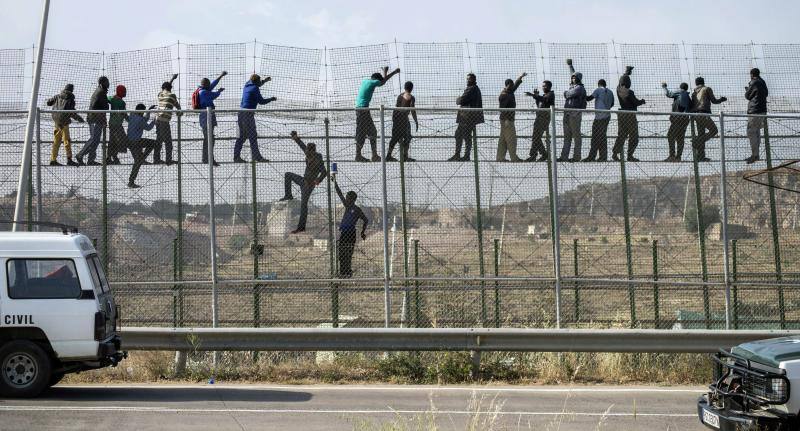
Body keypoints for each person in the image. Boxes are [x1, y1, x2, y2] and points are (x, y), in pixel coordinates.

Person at [280, 131, 328, 234]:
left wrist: (318, 180)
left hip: (308, 185)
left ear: (313, 152)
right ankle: (288, 195)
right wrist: (295, 137)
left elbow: (324, 172)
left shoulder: (318, 160)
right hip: (303, 180)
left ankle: (301, 227)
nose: (307, 154)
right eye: (306, 153)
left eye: (309, 153)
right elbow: (301, 145)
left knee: (303, 205)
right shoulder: (307, 152)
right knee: (288, 174)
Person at [355, 66, 400, 162]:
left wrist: (384, 74)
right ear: (376, 79)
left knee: (371, 132)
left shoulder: (365, 81)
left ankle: (373, 155)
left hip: (362, 110)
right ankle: (359, 155)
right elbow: (383, 82)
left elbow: (382, 80)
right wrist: (391, 72)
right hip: (363, 110)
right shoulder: (373, 82)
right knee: (362, 133)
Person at [234, 73, 276, 163]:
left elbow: (259, 83)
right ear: (256, 82)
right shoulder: (255, 88)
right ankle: (257, 157)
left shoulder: (247, 84)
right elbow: (261, 102)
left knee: (241, 137)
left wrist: (265, 80)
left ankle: (236, 157)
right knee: (253, 136)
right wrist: (271, 99)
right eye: (259, 81)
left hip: (240, 113)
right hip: (248, 115)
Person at [333, 178, 369, 278]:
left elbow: (366, 220)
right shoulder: (351, 207)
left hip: (349, 233)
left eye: (348, 198)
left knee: (346, 253)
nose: (346, 199)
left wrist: (362, 232)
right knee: (342, 253)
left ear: (352, 199)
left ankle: (346, 272)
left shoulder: (354, 208)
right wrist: (335, 182)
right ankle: (344, 272)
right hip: (345, 233)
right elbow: (339, 194)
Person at [613, 66, 646, 162]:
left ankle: (615, 153)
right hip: (630, 115)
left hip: (622, 114)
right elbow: (636, 102)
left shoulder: (618, 89)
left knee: (622, 135)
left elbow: (622, 80)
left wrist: (627, 72)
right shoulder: (629, 92)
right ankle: (630, 155)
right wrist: (642, 101)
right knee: (634, 136)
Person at [690, 77, 727, 162]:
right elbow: (714, 101)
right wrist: (721, 99)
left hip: (695, 115)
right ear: (703, 82)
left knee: (701, 135)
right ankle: (696, 141)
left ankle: (701, 156)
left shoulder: (694, 93)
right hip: (704, 114)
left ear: (696, 83)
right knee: (714, 130)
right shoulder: (707, 89)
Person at [45, 84, 83, 166]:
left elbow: (48, 103)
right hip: (64, 121)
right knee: (67, 140)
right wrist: (79, 118)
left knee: (57, 140)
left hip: (56, 120)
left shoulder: (57, 96)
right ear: (72, 90)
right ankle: (69, 159)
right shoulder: (70, 99)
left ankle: (53, 159)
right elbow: (72, 112)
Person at [76, 76, 111, 166]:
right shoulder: (101, 92)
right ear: (102, 83)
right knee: (93, 139)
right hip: (95, 119)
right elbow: (104, 107)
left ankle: (91, 159)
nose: (108, 84)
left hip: (95, 119)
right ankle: (80, 155)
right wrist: (107, 103)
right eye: (106, 82)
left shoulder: (99, 92)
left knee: (96, 140)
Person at [450, 73, 484, 162]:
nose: (467, 81)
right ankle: (461, 155)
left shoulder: (471, 89)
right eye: (467, 79)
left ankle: (465, 155)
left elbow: (461, 100)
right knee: (460, 135)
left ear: (473, 80)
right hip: (467, 117)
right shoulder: (473, 88)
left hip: (467, 117)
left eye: (469, 79)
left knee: (464, 136)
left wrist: (458, 99)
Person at [197, 71, 227, 166]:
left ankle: (207, 158)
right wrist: (219, 91)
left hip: (205, 118)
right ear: (206, 85)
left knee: (208, 139)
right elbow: (214, 95)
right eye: (209, 85)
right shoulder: (204, 93)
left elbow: (213, 84)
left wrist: (220, 76)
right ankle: (209, 158)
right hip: (207, 118)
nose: (210, 86)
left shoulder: (201, 90)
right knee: (209, 139)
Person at [559, 59, 587, 162]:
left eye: (575, 77)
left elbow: (567, 94)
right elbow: (573, 73)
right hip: (567, 113)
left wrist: (566, 92)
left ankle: (576, 156)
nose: (573, 78)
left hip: (574, 114)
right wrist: (570, 66)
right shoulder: (573, 86)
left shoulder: (579, 88)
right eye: (572, 77)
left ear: (579, 79)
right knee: (567, 136)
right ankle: (564, 156)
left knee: (576, 136)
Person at [496, 72, 527, 162]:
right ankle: (514, 157)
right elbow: (502, 109)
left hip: (506, 120)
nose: (513, 87)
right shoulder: (504, 95)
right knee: (511, 139)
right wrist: (506, 119)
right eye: (511, 85)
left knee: (503, 139)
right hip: (507, 120)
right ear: (508, 85)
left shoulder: (508, 92)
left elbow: (515, 87)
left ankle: (500, 157)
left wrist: (520, 77)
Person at [125, 104, 157, 189]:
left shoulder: (132, 115)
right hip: (136, 142)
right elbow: (148, 128)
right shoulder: (140, 119)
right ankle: (143, 158)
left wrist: (149, 111)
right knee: (153, 143)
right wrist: (154, 121)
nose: (143, 113)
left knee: (137, 162)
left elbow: (144, 119)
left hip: (129, 141)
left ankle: (131, 181)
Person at [386, 81, 418, 162]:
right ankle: (405, 156)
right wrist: (416, 121)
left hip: (396, 117)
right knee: (408, 137)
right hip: (403, 118)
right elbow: (412, 110)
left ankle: (388, 155)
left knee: (395, 137)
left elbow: (397, 107)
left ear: (404, 88)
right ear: (412, 88)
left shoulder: (400, 96)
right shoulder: (411, 97)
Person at [583, 79, 614, 162]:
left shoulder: (598, 90)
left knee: (595, 137)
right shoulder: (610, 92)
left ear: (598, 84)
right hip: (607, 116)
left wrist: (582, 94)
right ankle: (603, 156)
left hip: (599, 117)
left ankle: (592, 156)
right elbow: (612, 104)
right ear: (605, 84)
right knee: (602, 136)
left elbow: (589, 98)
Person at [524, 80, 554, 162]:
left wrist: (534, 95)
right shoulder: (544, 95)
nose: (543, 87)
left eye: (545, 86)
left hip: (543, 119)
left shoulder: (551, 94)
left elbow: (544, 100)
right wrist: (536, 97)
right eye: (543, 86)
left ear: (549, 87)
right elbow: (540, 104)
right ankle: (542, 154)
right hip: (539, 118)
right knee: (536, 137)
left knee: (536, 137)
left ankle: (535, 155)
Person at [662, 82, 692, 162]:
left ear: (680, 87)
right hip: (685, 120)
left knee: (670, 136)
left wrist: (664, 87)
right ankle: (678, 157)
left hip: (677, 119)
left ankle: (672, 156)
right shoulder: (688, 97)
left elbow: (669, 94)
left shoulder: (680, 92)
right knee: (680, 138)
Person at [154, 73, 180, 165]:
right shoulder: (172, 95)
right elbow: (178, 106)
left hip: (157, 119)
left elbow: (166, 87)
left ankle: (156, 159)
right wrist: (180, 112)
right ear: (170, 88)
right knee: (168, 142)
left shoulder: (160, 94)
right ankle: (168, 160)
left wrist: (172, 78)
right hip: (164, 121)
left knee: (159, 140)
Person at [745, 68, 768, 164]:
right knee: (756, 132)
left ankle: (754, 155)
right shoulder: (762, 82)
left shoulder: (753, 82)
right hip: (762, 110)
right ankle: (756, 154)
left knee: (750, 132)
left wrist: (747, 90)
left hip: (754, 110)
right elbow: (766, 93)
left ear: (751, 74)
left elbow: (747, 95)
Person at [107, 85, 128, 165]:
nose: (125, 93)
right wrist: (131, 121)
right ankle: (114, 156)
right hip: (118, 124)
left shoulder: (112, 99)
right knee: (122, 140)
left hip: (112, 123)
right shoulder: (122, 103)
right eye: (124, 91)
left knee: (112, 141)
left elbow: (107, 98)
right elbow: (124, 114)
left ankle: (110, 157)